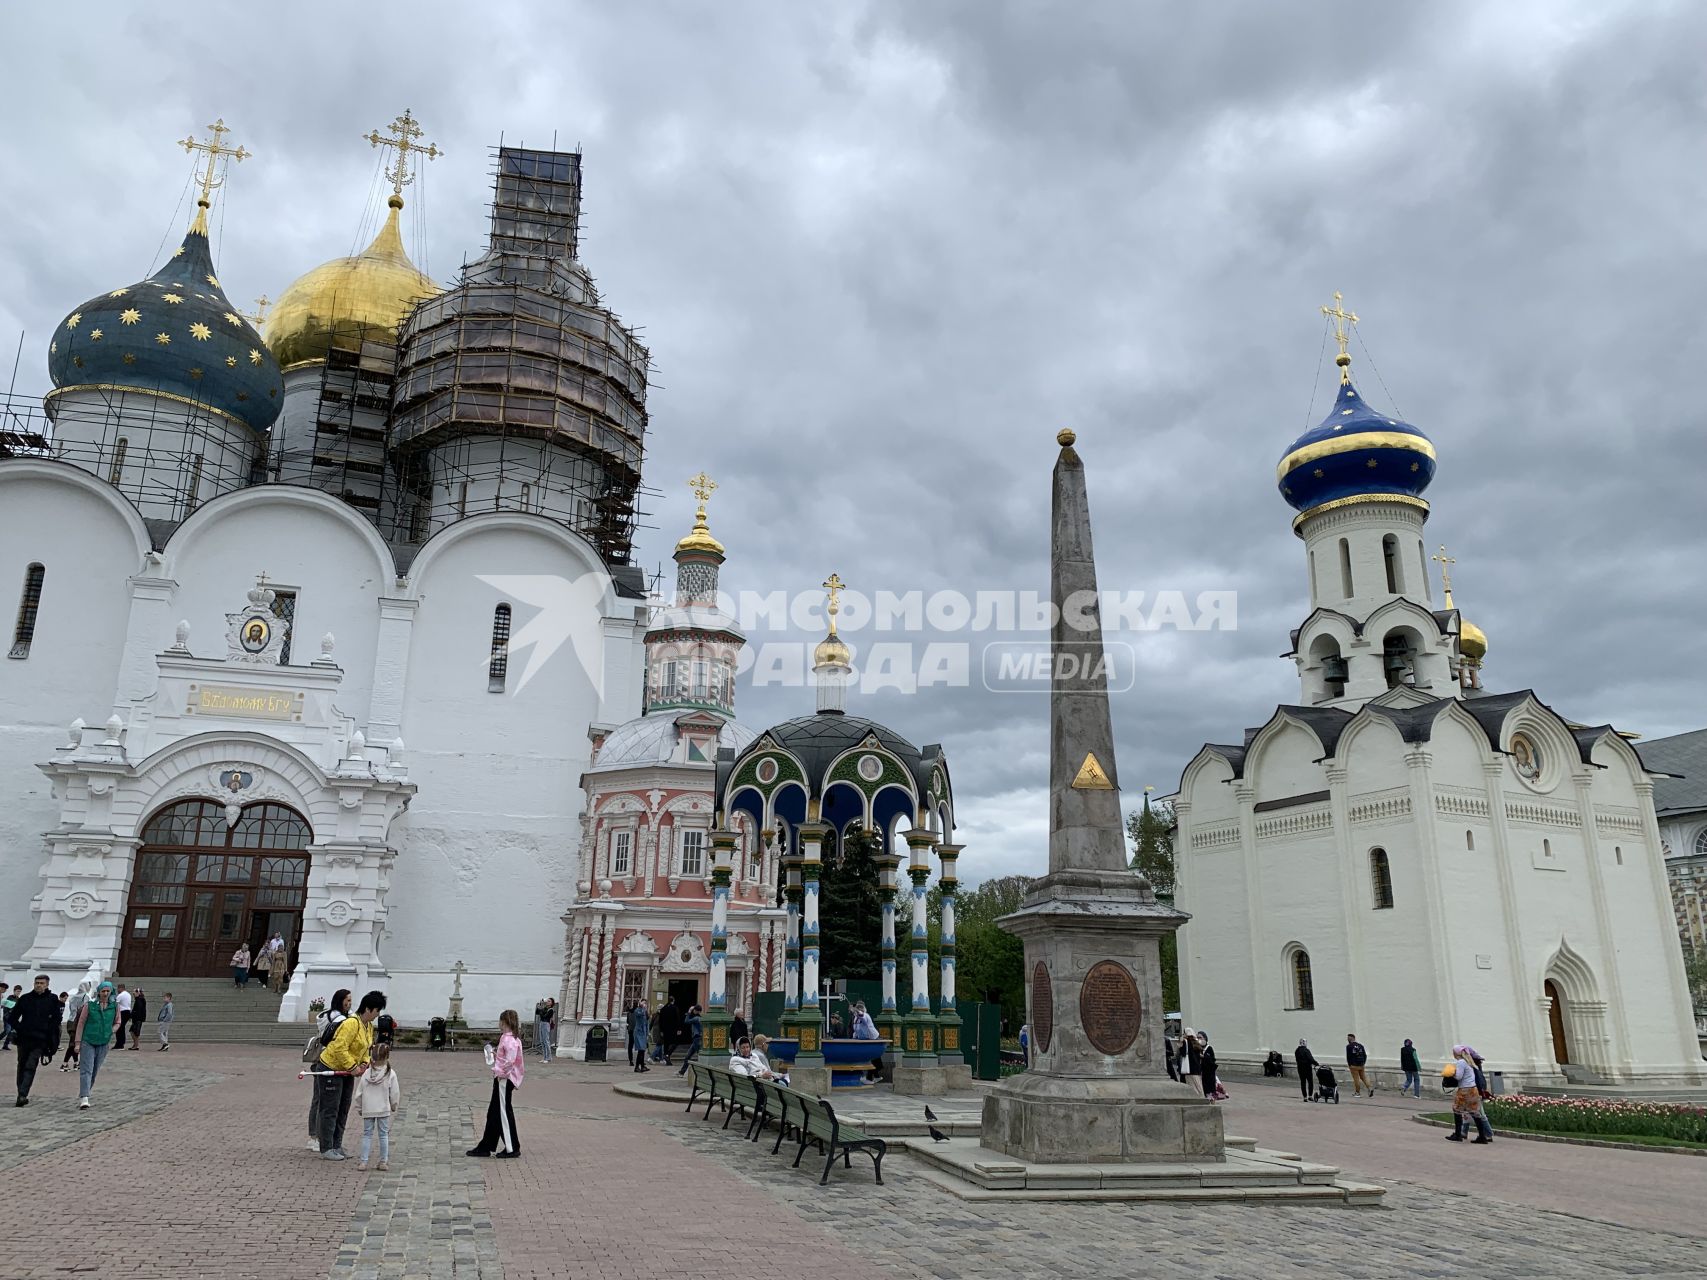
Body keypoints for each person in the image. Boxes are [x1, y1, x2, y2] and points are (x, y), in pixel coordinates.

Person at [318, 990, 385, 1160]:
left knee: (343, 1107)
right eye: (377, 1011)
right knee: (330, 1108)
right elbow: (340, 1047)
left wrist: (363, 1063)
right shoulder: (351, 1023)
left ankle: (337, 1144)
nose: (378, 1015)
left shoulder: (368, 1026)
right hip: (332, 1067)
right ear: (369, 1009)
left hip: (347, 1071)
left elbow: (365, 1048)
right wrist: (352, 1066)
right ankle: (326, 1147)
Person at [467, 1009, 524, 1158]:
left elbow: (510, 1061)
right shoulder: (510, 1038)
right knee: (494, 1112)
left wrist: (502, 1074)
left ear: (504, 1022)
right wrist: (495, 1054)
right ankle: (486, 1145)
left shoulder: (509, 1039)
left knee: (503, 1113)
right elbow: (506, 1057)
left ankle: (512, 1147)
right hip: (503, 1078)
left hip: (504, 1079)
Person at [307, 989, 353, 1150]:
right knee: (320, 1100)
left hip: (335, 1061)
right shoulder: (334, 1017)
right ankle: (315, 1136)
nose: (349, 1003)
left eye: (350, 1000)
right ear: (339, 1000)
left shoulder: (346, 1016)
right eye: (346, 1000)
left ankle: (325, 1137)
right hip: (325, 1060)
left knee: (328, 1102)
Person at [13, 974, 61, 1106]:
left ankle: (23, 1094)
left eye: (41, 983)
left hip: (40, 1039)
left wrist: (48, 1030)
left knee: (31, 1065)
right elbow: (12, 1017)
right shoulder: (25, 998)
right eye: (37, 983)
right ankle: (21, 1092)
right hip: (24, 1039)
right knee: (21, 1065)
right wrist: (20, 1028)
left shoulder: (52, 999)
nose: (39, 985)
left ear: (47, 985)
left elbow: (57, 1018)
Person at [356, 1042, 401, 1172]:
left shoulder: (366, 1074)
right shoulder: (390, 1073)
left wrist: (359, 1108)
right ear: (387, 1057)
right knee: (383, 1135)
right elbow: (395, 1092)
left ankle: (363, 1162)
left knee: (367, 1135)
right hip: (383, 1109)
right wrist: (394, 1105)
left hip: (368, 1108)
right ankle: (383, 1161)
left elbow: (359, 1093)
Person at [74, 981, 118, 1108]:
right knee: (86, 1069)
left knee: (94, 1070)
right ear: (98, 992)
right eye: (103, 991)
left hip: (103, 1042)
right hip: (88, 1040)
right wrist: (78, 1043)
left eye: (107, 991)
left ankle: (86, 1091)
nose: (105, 993)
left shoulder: (114, 1006)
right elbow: (81, 1023)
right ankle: (84, 1097)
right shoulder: (90, 1005)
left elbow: (118, 1021)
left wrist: (111, 1030)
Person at [1444, 1047, 1494, 1144]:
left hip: (1464, 1089)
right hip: (1473, 1089)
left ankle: (1458, 1135)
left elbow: (1459, 1076)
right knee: (1475, 1112)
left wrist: (1451, 1072)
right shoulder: (1469, 1061)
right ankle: (1482, 1136)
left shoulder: (1461, 1062)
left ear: (1457, 1053)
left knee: (1457, 1109)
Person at [60, 981, 91, 1071]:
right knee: (73, 1044)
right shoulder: (86, 997)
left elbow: (71, 1009)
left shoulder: (73, 997)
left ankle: (76, 1063)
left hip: (70, 1020)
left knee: (75, 1043)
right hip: (78, 1022)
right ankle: (64, 1063)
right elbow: (86, 1009)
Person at [676, 1005, 703, 1076]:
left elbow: (686, 1021)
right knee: (688, 1056)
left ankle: (698, 1073)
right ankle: (682, 1072)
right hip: (698, 1038)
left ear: (696, 1011)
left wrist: (689, 1012)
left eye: (694, 1010)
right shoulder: (700, 1018)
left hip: (696, 1039)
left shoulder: (696, 1018)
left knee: (698, 1055)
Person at [1199, 1031, 1223, 1101]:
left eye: (1200, 1037)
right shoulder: (1198, 1048)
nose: (1199, 1039)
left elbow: (1212, 1060)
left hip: (1208, 1073)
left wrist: (1204, 1057)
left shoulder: (1209, 1048)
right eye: (1197, 1038)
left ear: (1205, 1038)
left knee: (1210, 1089)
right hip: (1201, 1072)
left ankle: (1211, 1101)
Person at [653, 998, 677, 1064]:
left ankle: (661, 1059)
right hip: (660, 1032)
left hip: (659, 1032)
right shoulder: (659, 1015)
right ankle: (652, 1057)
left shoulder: (656, 1015)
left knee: (660, 1045)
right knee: (659, 1045)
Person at [1181, 1025, 1203, 1094]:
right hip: (1197, 1068)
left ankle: (1196, 1097)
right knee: (1198, 1084)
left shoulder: (1185, 1042)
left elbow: (1183, 1053)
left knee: (1191, 1084)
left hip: (1189, 1067)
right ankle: (1201, 1097)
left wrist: (1180, 1046)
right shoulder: (1196, 1042)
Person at [630, 1000, 651, 1073]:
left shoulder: (645, 1011)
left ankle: (642, 1066)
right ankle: (636, 1067)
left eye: (645, 1003)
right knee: (641, 1050)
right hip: (638, 1032)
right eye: (644, 1003)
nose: (645, 1004)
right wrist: (642, 1007)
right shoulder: (638, 1010)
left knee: (643, 1050)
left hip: (643, 1033)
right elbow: (639, 1014)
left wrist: (648, 1033)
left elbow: (646, 1023)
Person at [534, 997, 555, 1064]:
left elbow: (545, 1016)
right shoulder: (545, 1008)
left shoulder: (551, 1010)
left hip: (546, 1024)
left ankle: (548, 1058)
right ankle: (544, 1057)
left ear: (552, 1003)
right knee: (542, 1041)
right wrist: (540, 1005)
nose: (547, 1002)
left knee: (546, 1041)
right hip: (541, 1023)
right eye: (547, 1001)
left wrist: (541, 1011)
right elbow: (537, 1012)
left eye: (549, 1001)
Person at [0, 983, 20, 1050]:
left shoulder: (18, 999)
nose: (18, 992)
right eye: (17, 991)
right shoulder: (10, 997)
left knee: (11, 1032)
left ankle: (5, 1045)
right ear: (14, 991)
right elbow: (5, 1007)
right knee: (7, 1030)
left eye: (19, 991)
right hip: (7, 1017)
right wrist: (6, 1014)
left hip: (13, 1018)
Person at [114, 984, 132, 1049]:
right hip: (127, 1011)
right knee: (122, 1028)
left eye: (118, 989)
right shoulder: (128, 994)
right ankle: (121, 1043)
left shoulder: (121, 995)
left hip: (122, 1012)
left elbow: (115, 1003)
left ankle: (119, 1044)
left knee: (119, 1028)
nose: (117, 990)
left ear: (121, 988)